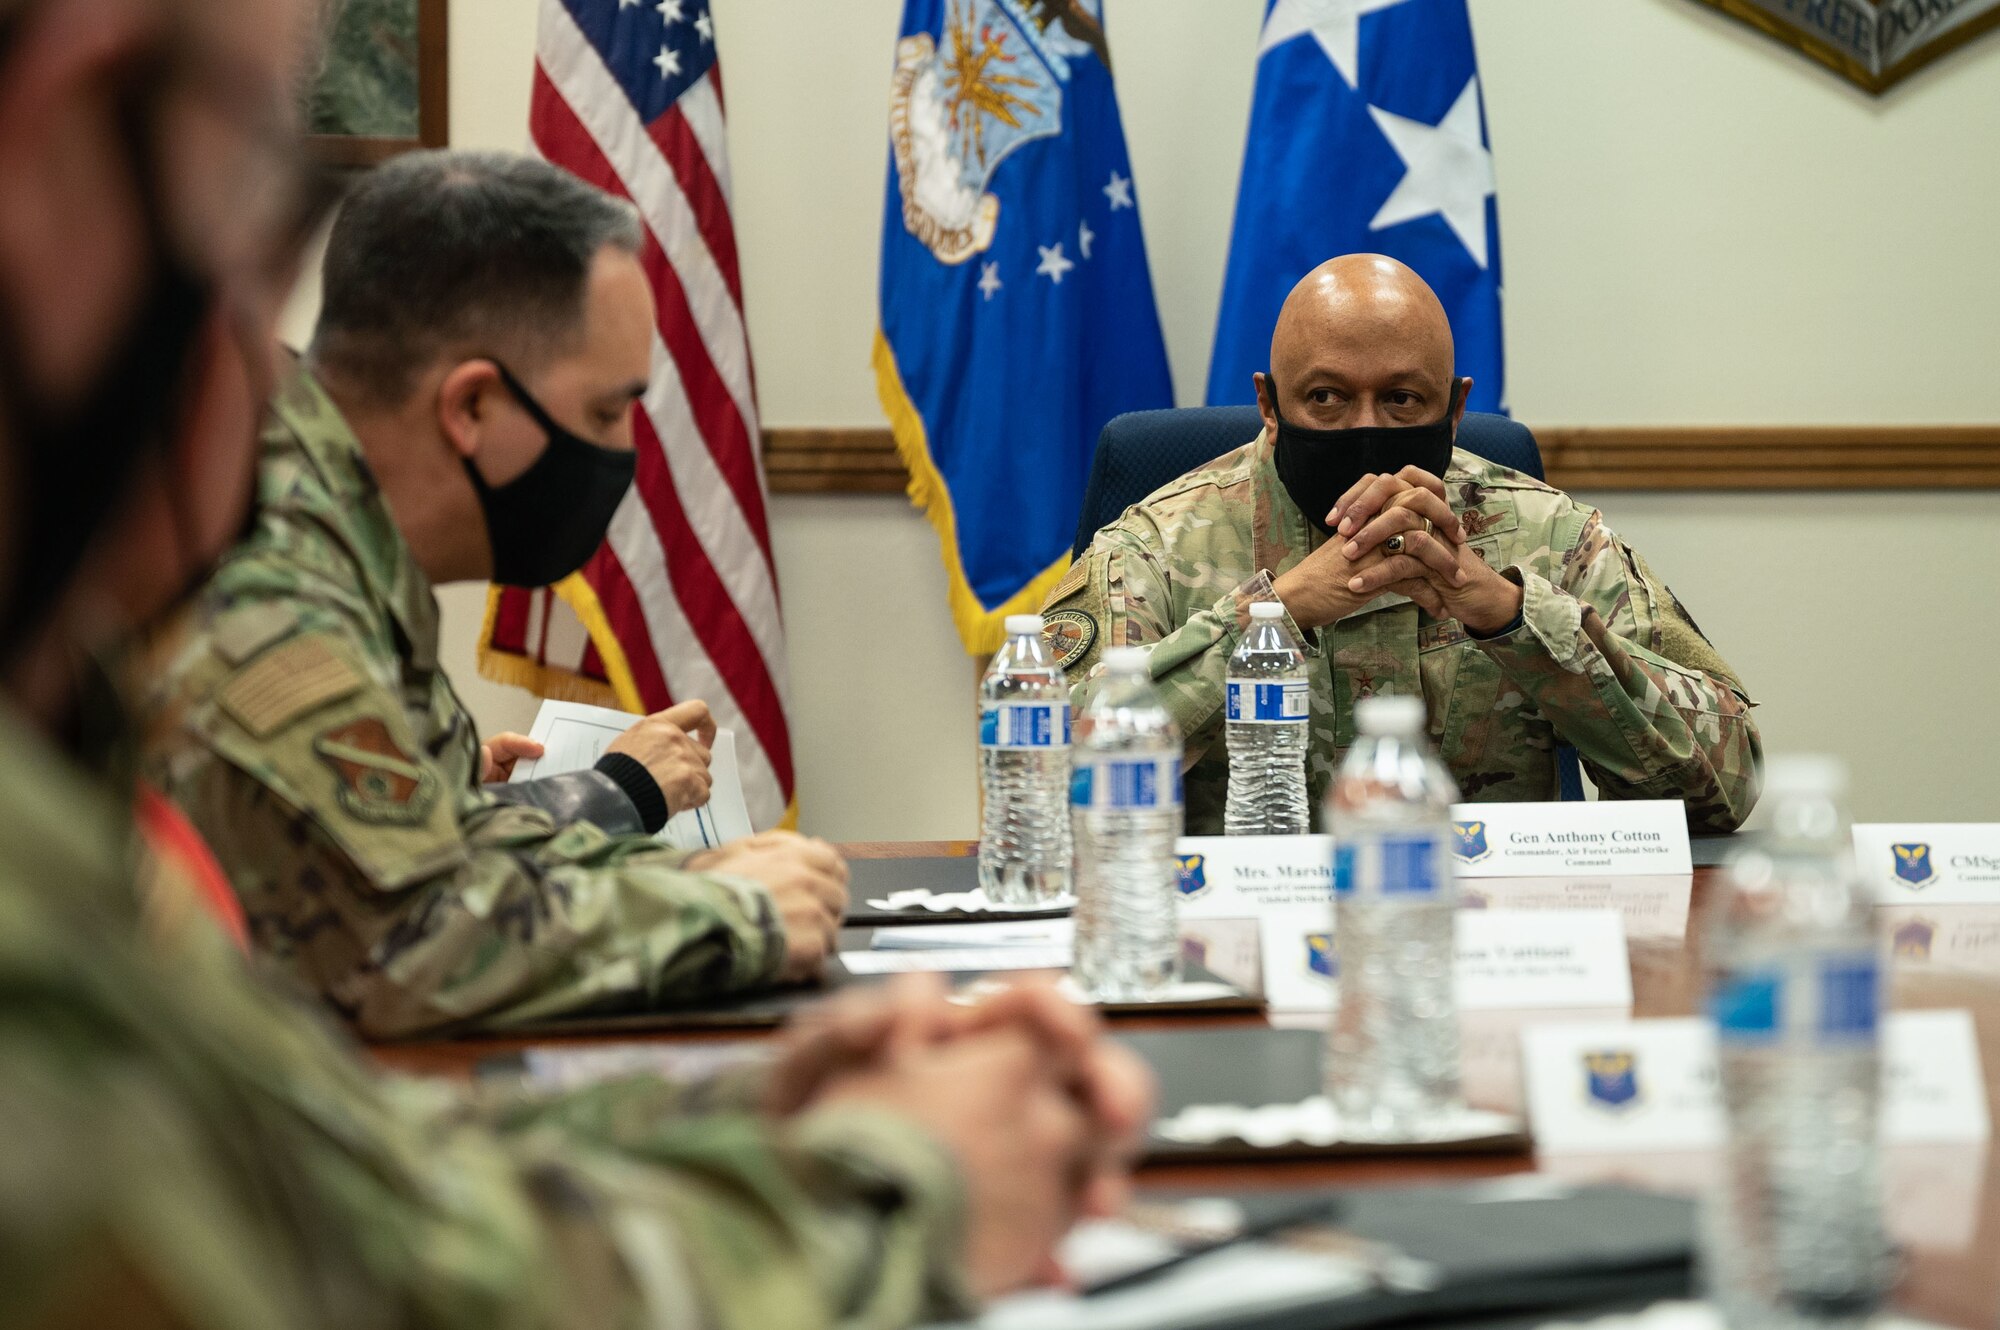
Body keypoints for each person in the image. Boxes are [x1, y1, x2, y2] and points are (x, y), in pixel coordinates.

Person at [0, 0, 1151, 1323]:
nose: (260, 342)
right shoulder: (273, 568)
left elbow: (317, 1138)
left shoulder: (288, 594)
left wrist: (750, 1105)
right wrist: (899, 1166)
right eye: (246, 189)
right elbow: (405, 985)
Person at [144, 150, 848, 1039]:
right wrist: (731, 917)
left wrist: (690, 879)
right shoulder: (274, 575)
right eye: (604, 413)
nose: (624, 452)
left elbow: (448, 838)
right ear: (471, 407)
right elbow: (397, 948)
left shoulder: (339, 526)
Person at [1048, 254, 1760, 834]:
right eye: (1324, 398)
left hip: (1485, 939)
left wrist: (1512, 615)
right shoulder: (1157, 544)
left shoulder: (1552, 536)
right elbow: (1045, 778)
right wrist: (1273, 614)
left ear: (1453, 410)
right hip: (1226, 938)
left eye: (1402, 400)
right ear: (1269, 406)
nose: (1366, 428)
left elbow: (1726, 787)